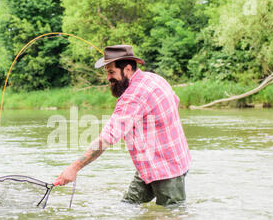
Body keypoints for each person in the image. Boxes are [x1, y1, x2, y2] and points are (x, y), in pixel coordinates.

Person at [55, 45, 191, 206]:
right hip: (150, 165)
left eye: (111, 72)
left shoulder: (133, 96)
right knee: (127, 206)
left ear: (127, 69)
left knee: (172, 219)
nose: (108, 78)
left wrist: (74, 168)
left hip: (167, 171)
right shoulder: (153, 78)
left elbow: (107, 138)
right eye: (106, 72)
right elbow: (176, 100)